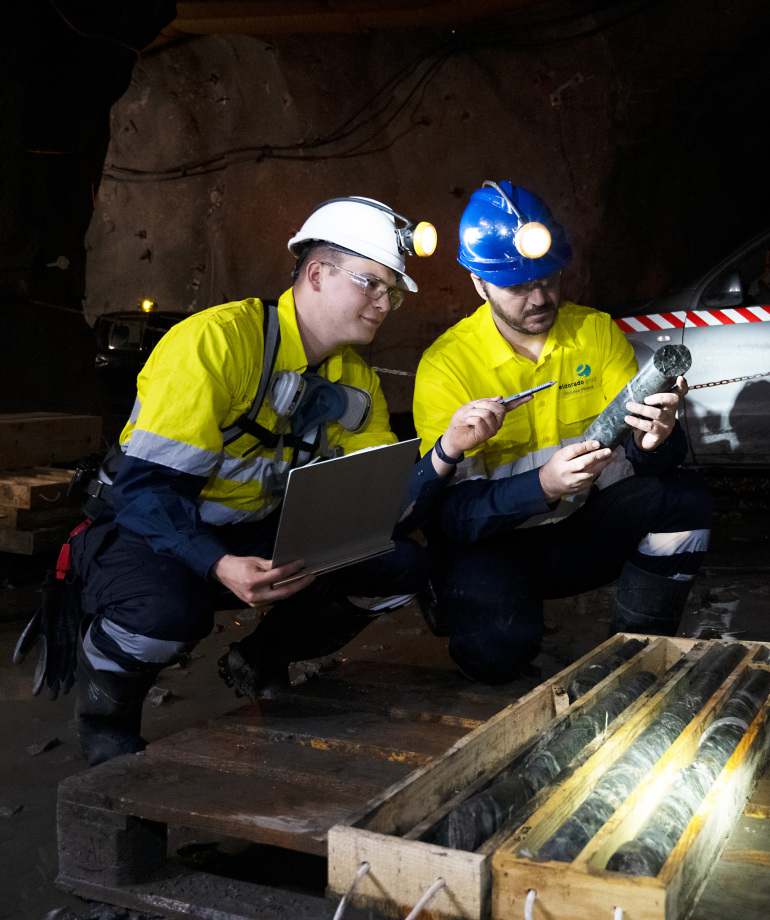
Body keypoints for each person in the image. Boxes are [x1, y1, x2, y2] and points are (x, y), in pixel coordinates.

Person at [66, 195, 510, 766]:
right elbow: (143, 491)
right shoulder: (216, 343)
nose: (385, 304)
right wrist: (217, 564)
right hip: (148, 528)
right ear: (317, 274)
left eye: (392, 292)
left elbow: (382, 507)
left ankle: (260, 660)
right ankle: (106, 717)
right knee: (166, 614)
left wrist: (447, 450)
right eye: (371, 283)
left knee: (399, 567)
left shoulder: (356, 381)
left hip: (251, 529)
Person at [412, 180, 713, 685]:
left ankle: (638, 651)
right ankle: (455, 598)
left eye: (549, 280)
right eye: (518, 287)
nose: (539, 298)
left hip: (578, 526)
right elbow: (454, 516)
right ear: (478, 283)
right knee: (498, 656)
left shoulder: (593, 332)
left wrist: (658, 440)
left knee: (684, 500)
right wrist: (543, 485)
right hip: (495, 542)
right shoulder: (447, 366)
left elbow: (651, 459)